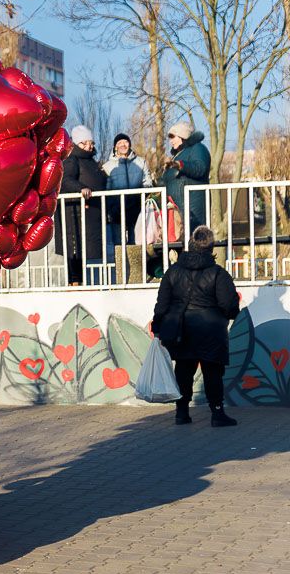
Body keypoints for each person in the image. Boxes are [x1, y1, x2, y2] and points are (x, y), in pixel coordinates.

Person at [152, 225, 239, 427]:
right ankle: (217, 414)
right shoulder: (218, 273)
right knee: (212, 372)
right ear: (211, 247)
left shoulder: (172, 272)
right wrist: (229, 314)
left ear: (191, 244)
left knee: (183, 370)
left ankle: (181, 413)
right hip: (210, 330)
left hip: (181, 330)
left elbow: (162, 304)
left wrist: (157, 327)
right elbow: (229, 305)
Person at [55, 125, 107, 285]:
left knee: (86, 250)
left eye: (90, 142)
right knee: (75, 247)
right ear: (77, 143)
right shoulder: (72, 160)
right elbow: (65, 180)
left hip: (91, 212)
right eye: (84, 143)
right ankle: (75, 282)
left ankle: (83, 282)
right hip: (75, 213)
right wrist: (81, 188)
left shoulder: (92, 161)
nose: (89, 146)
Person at [102, 132, 153, 250]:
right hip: (117, 210)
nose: (123, 145)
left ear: (129, 144)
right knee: (119, 246)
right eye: (119, 143)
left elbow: (148, 182)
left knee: (136, 243)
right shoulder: (108, 166)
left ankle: (137, 268)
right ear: (115, 147)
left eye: (125, 142)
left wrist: (140, 196)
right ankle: (121, 268)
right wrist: (111, 208)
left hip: (137, 208)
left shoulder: (141, 162)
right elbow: (107, 190)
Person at [162, 121, 210, 232]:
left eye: (173, 137)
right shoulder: (176, 155)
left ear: (183, 136)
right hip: (176, 209)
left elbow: (200, 168)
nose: (171, 141)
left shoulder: (198, 148)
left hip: (193, 207)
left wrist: (180, 165)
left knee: (195, 241)